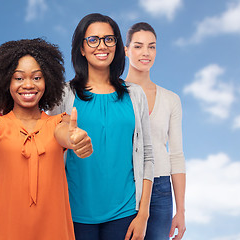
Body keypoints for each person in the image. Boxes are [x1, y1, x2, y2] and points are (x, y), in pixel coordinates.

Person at [0, 38, 93, 240]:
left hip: (53, 231)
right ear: (5, 81)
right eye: (18, 78)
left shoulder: (59, 122)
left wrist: (75, 139)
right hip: (8, 231)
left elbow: (65, 134)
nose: (28, 85)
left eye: (36, 78)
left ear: (48, 81)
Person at [48, 13, 154, 240]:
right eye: (93, 40)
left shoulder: (135, 95)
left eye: (109, 39)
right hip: (74, 213)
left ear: (117, 45)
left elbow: (147, 155)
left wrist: (143, 214)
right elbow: (50, 152)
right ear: (81, 48)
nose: (102, 46)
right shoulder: (64, 95)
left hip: (125, 213)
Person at [124, 22, 186, 240]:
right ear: (126, 50)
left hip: (160, 188)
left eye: (151, 47)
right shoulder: (115, 94)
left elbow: (176, 156)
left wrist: (181, 210)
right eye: (139, 46)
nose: (146, 53)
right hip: (124, 185)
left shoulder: (171, 100)